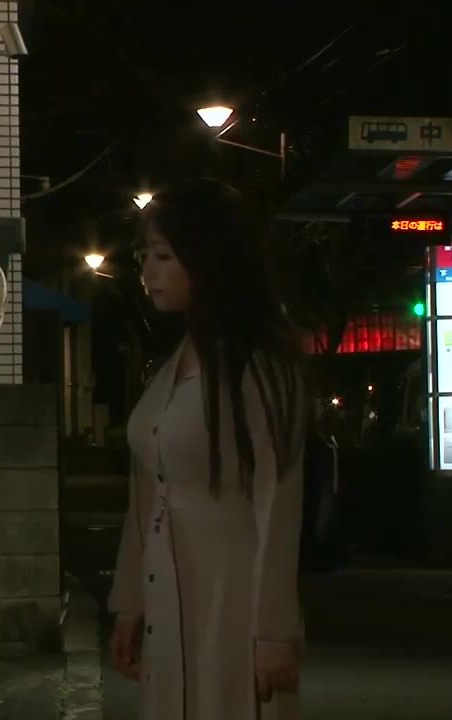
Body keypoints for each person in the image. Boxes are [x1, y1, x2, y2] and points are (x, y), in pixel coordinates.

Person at [108, 179, 307, 719]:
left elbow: (278, 500)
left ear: (209, 260)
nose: (148, 271)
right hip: (168, 598)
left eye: (163, 256)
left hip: (233, 604)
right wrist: (130, 603)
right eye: (143, 257)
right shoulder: (174, 364)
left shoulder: (260, 365)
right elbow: (146, 493)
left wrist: (272, 632)